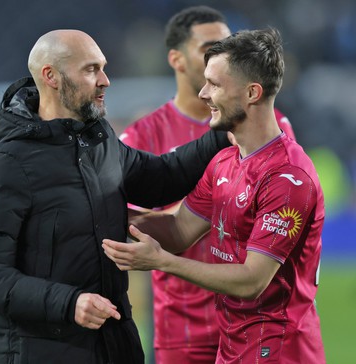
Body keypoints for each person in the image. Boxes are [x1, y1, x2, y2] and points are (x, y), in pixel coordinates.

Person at [0, 29, 229, 364]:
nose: (105, 80)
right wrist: (68, 303)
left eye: (103, 68)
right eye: (90, 70)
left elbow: (163, 178)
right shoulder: (5, 166)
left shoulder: (100, 144)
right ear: (51, 77)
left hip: (112, 347)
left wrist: (224, 129)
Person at [103, 28, 326, 363]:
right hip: (233, 343)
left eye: (216, 84)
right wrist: (97, 210)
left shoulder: (288, 177)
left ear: (252, 93)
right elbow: (178, 230)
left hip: (279, 349)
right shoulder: (224, 161)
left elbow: (252, 280)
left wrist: (162, 262)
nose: (204, 93)